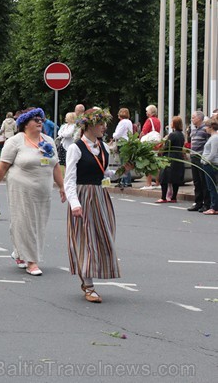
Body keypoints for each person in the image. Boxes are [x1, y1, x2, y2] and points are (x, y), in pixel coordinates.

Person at [0, 107, 66, 276]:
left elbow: (55, 166)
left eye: (40, 119)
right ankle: (32, 261)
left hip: (43, 190)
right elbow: (2, 167)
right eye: (35, 119)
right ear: (24, 123)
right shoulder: (15, 141)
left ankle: (20, 253)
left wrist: (62, 187)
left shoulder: (48, 141)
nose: (39, 122)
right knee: (25, 222)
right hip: (21, 189)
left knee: (38, 223)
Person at [64, 108, 128, 303]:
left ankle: (94, 277)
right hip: (83, 196)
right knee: (85, 241)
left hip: (100, 196)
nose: (104, 128)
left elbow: (106, 174)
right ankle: (88, 285)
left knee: (102, 238)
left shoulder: (103, 147)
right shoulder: (76, 148)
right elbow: (69, 179)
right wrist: (74, 203)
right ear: (89, 126)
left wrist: (125, 170)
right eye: (100, 124)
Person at [156, 116, 185, 203]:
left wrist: (161, 150)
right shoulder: (181, 135)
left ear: (174, 124)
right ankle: (173, 197)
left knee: (164, 177)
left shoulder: (172, 135)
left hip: (170, 158)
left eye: (172, 122)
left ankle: (163, 197)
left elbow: (167, 146)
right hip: (178, 157)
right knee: (175, 178)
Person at [188, 111, 210, 212]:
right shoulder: (193, 130)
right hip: (193, 157)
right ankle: (198, 202)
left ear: (199, 118)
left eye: (193, 117)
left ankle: (206, 203)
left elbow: (208, 144)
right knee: (196, 181)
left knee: (203, 181)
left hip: (201, 157)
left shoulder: (205, 130)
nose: (192, 119)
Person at [140, 105, 161, 189]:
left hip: (148, 145)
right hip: (156, 144)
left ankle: (148, 184)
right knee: (156, 163)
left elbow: (144, 131)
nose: (146, 113)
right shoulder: (158, 121)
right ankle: (157, 183)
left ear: (151, 112)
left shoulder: (149, 120)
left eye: (147, 111)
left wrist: (140, 138)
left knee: (147, 162)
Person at [112, 108, 134, 187]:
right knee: (126, 162)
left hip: (122, 143)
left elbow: (117, 134)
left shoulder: (122, 122)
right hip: (128, 143)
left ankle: (125, 181)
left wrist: (113, 135)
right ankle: (125, 180)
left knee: (123, 162)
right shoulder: (129, 122)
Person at [200, 119, 218, 215]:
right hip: (210, 164)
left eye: (206, 127)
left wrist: (205, 161)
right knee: (212, 186)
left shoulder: (215, 138)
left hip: (211, 165)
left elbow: (213, 153)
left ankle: (214, 207)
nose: (205, 129)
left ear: (211, 127)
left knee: (212, 186)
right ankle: (214, 206)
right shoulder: (212, 137)